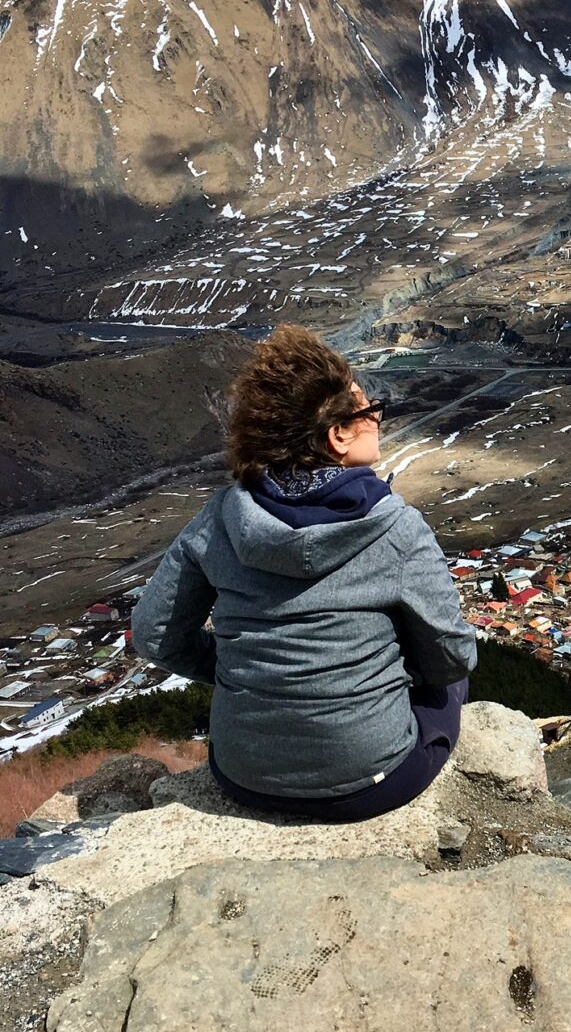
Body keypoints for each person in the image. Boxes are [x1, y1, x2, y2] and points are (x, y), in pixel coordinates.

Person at [131, 324, 476, 820]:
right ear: (338, 435)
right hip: (367, 784)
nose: (378, 417)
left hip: (242, 777)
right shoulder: (396, 527)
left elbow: (153, 634)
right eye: (368, 410)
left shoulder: (222, 516)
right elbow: (451, 657)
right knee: (450, 686)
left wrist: (235, 671)